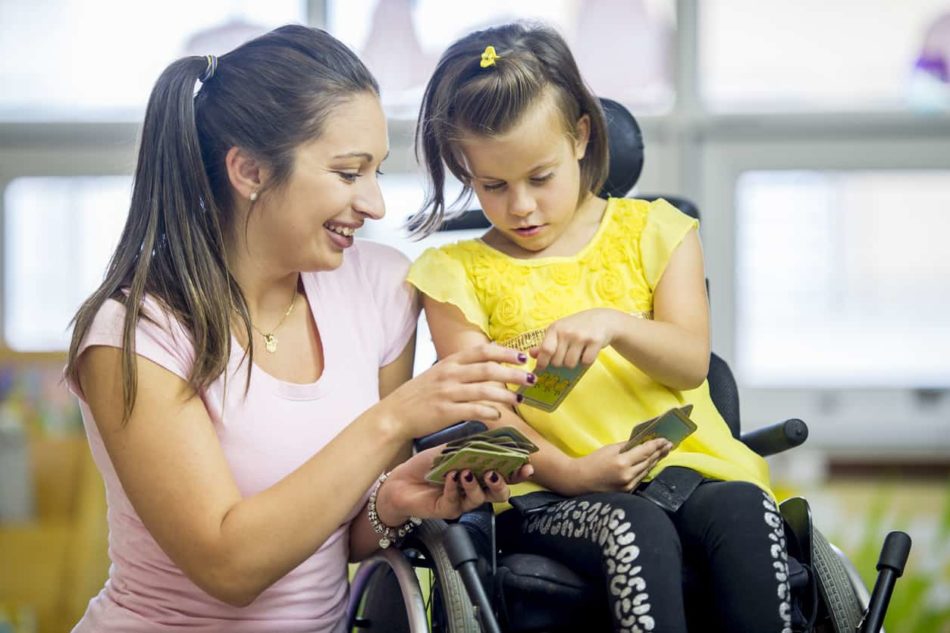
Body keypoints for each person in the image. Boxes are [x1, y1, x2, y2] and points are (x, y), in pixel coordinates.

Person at [64, 25, 536, 633]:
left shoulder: (379, 288)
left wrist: (394, 500)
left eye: (377, 172)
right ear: (251, 170)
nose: (375, 205)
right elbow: (229, 566)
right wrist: (394, 418)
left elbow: (341, 536)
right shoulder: (138, 332)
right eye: (348, 173)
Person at [407, 22, 792, 633]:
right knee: (632, 525)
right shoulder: (452, 273)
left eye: (540, 177)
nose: (521, 207)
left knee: (748, 509)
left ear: (582, 136)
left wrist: (616, 324)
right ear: (463, 167)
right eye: (493, 186)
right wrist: (573, 472)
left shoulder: (659, 231)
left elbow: (690, 363)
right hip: (547, 492)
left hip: (690, 469)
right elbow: (485, 411)